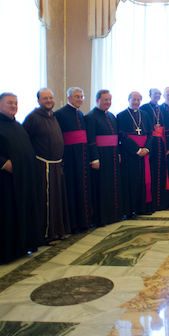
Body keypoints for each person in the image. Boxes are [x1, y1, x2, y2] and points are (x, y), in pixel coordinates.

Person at [0, 92, 41, 264]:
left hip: (23, 178)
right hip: (4, 182)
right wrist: (2, 163)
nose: (13, 106)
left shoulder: (17, 125)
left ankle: (24, 245)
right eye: (10, 103)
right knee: (7, 215)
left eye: (16, 103)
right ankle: (7, 252)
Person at [23, 88, 71, 244]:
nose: (49, 100)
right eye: (45, 98)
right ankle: (46, 234)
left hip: (56, 164)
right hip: (43, 165)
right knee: (46, 202)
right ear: (38, 100)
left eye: (51, 97)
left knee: (57, 200)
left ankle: (57, 231)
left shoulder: (53, 116)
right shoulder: (32, 118)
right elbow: (26, 142)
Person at [54, 87, 92, 230]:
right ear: (69, 98)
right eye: (77, 97)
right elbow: (59, 137)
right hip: (70, 158)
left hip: (82, 156)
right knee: (72, 189)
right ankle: (73, 224)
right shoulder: (60, 114)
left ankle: (84, 221)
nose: (80, 99)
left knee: (83, 188)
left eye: (82, 97)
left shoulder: (81, 113)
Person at [85, 89, 123, 225]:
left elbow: (116, 138)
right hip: (101, 157)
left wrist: (118, 153)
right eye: (105, 100)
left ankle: (114, 215)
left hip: (112, 156)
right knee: (102, 187)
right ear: (97, 100)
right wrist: (94, 158)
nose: (108, 102)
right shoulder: (90, 117)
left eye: (109, 100)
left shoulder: (112, 116)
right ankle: (102, 218)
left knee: (113, 186)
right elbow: (91, 139)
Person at [118, 92, 155, 216]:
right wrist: (137, 150)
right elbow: (122, 136)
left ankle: (143, 208)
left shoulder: (145, 115)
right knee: (131, 182)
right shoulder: (121, 116)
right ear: (128, 99)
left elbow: (150, 134)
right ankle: (130, 210)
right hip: (130, 155)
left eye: (138, 100)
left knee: (144, 181)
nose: (136, 102)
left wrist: (146, 149)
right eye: (134, 99)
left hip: (144, 154)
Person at [139, 88, 169, 210]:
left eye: (158, 94)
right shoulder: (144, 108)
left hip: (162, 144)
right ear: (150, 95)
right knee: (152, 171)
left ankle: (162, 201)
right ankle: (152, 202)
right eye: (155, 94)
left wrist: (167, 145)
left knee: (162, 170)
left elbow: (166, 129)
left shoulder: (162, 108)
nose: (157, 95)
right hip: (151, 143)